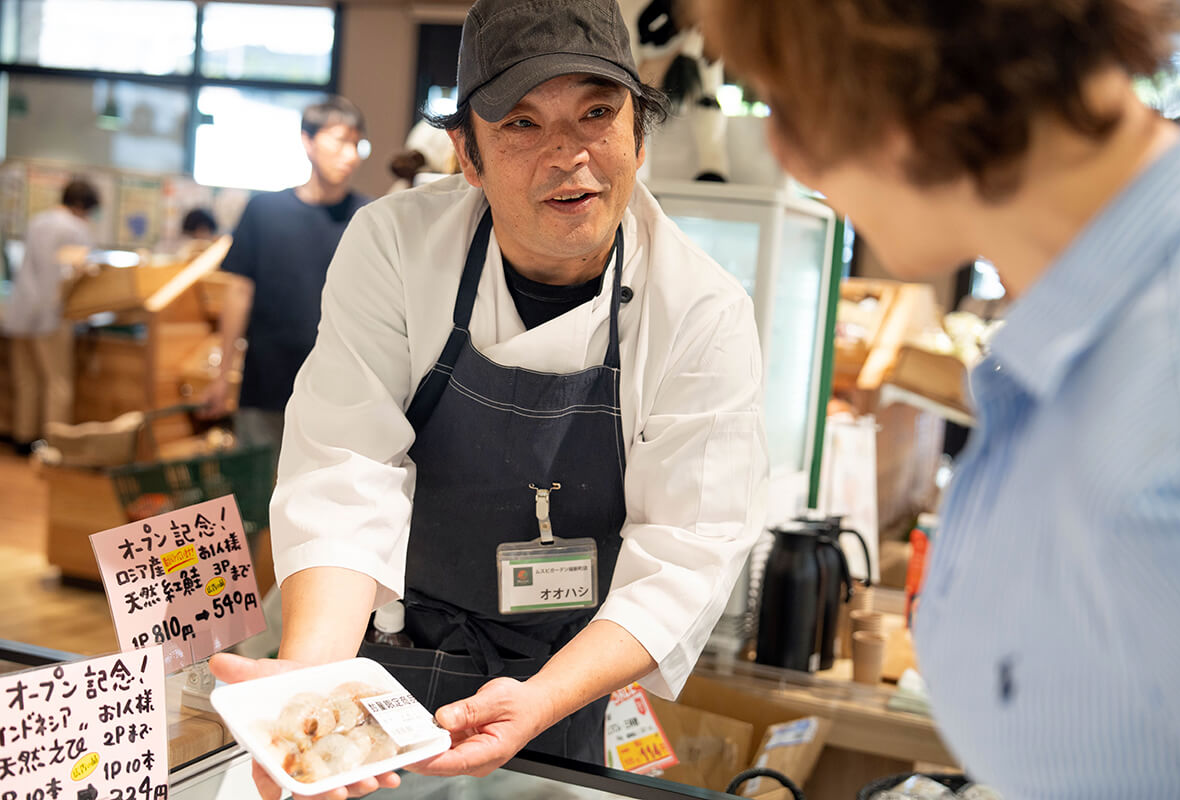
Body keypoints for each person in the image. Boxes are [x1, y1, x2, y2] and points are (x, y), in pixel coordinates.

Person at [209, 0, 769, 794]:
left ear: (639, 135)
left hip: (560, 681)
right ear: (466, 154)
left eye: (597, 113)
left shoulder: (701, 309)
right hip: (380, 658)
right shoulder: (397, 246)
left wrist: (541, 699)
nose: (568, 154)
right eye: (520, 123)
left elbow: (686, 549)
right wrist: (308, 684)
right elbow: (345, 464)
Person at [703, 0, 1180, 795]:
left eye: (789, 105)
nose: (786, 157)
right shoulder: (1075, 333)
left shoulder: (1176, 376)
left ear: (904, 89)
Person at [199, 96, 370, 457]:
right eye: (339, 140)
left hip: (340, 390)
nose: (350, 154)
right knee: (257, 497)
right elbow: (239, 293)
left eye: (356, 143)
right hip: (266, 381)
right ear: (307, 142)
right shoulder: (264, 211)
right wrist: (222, 375)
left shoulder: (369, 217)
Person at [5, 179, 99, 455]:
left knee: (26, 379)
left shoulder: (37, 221)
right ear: (82, 206)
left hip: (21, 311)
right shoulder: (77, 228)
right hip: (53, 314)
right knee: (57, 383)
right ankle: (54, 444)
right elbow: (75, 273)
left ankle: (24, 438)